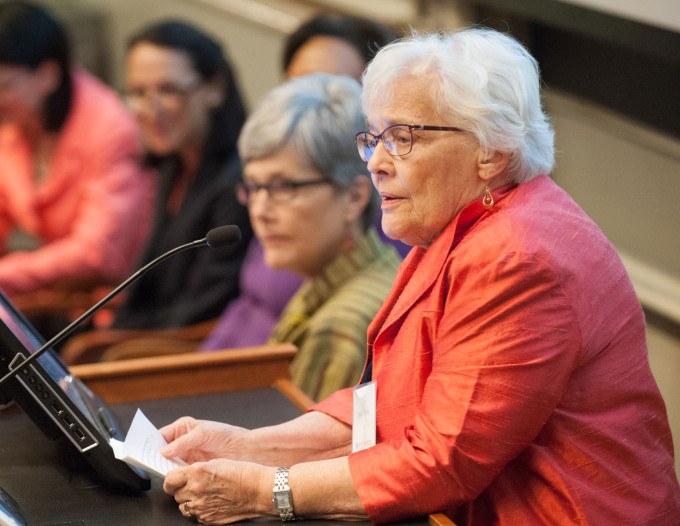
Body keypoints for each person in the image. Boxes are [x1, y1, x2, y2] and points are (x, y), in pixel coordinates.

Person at [157, 28, 680, 524]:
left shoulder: (517, 258)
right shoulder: (456, 226)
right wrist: (248, 446)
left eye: (403, 137)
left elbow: (441, 462)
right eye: (375, 138)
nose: (377, 163)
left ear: (491, 150)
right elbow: (384, 403)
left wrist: (264, 491)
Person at [201, 13, 400, 352]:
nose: (261, 210)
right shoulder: (294, 224)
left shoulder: (378, 227)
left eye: (335, 88)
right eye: (296, 86)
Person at [0, 0, 154, 298]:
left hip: (110, 310)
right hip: (60, 298)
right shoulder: (19, 125)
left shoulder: (110, 129)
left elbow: (96, 254)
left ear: (48, 75)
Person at [223, 73, 399, 401]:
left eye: (283, 187)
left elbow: (289, 453)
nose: (260, 210)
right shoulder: (356, 273)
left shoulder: (339, 330)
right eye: (253, 187)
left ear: (354, 197)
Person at [110, 20, 252, 330]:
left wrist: (113, 345)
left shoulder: (238, 183)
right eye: (138, 92)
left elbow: (203, 309)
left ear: (214, 88)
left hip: (173, 355)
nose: (151, 109)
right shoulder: (173, 162)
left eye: (168, 90)